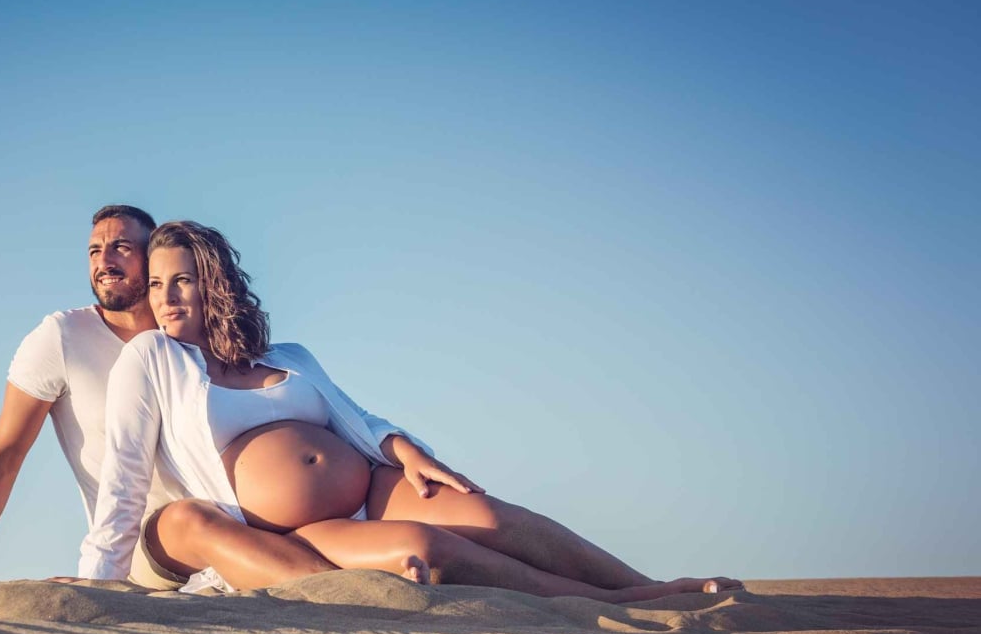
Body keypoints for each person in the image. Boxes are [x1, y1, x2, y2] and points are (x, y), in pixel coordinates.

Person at [78, 220, 740, 603]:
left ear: (214, 283)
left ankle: (649, 586)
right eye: (156, 284)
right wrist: (95, 585)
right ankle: (610, 604)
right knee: (430, 548)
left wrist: (406, 450)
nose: (166, 297)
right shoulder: (153, 359)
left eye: (182, 280)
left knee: (488, 515)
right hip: (297, 531)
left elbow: (357, 420)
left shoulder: (290, 356)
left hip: (372, 486)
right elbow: (124, 474)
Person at [0, 205, 337, 592]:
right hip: (151, 547)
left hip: (246, 523)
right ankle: (343, 594)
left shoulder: (190, 333)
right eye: (94, 251)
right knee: (195, 521)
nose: (104, 261)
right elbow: (5, 454)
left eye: (121, 247)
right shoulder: (62, 337)